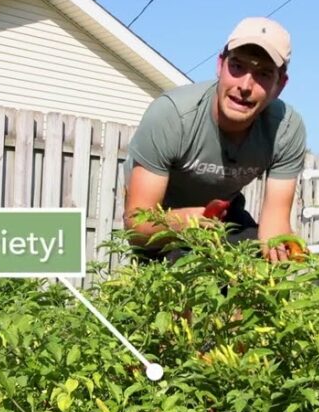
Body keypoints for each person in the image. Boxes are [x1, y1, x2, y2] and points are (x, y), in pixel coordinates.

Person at [122, 16, 308, 264]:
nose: (245, 85)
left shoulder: (286, 130)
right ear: (220, 65)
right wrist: (186, 222)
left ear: (280, 85)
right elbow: (137, 226)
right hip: (163, 225)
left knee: (262, 265)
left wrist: (283, 247)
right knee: (184, 272)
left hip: (223, 219)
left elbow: (274, 226)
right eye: (238, 67)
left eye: (263, 73)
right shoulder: (173, 115)